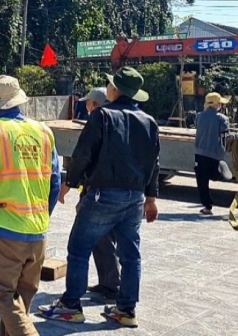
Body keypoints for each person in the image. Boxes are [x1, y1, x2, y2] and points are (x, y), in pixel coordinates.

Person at [39, 67, 160, 328]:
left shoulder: (103, 116)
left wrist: (68, 183)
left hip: (104, 195)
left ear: (115, 90)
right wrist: (151, 198)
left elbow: (84, 153)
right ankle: (126, 310)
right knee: (131, 255)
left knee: (79, 249)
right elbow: (153, 163)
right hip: (135, 198)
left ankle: (71, 305)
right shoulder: (149, 121)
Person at [0, 75, 61, 336]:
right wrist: (42, 213)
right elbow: (55, 181)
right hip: (37, 231)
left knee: (3, 296)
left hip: (5, 229)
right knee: (21, 301)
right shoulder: (44, 131)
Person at [75, 86, 121, 301]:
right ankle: (108, 283)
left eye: (88, 102)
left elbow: (85, 156)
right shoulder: (119, 121)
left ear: (94, 105)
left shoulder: (98, 122)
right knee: (105, 240)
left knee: (87, 242)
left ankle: (110, 285)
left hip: (99, 193)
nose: (86, 106)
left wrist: (71, 183)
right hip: (118, 191)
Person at [194, 92, 230, 216]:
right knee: (213, 173)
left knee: (202, 180)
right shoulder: (222, 118)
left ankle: (207, 206)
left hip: (200, 153)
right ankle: (219, 172)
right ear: (216, 104)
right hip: (216, 154)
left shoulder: (199, 116)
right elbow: (225, 135)